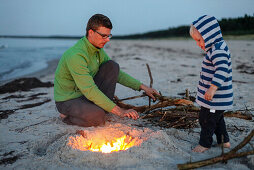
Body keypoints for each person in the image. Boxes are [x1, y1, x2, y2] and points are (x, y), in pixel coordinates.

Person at [54, 14, 160, 127]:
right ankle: (66, 117)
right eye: (104, 36)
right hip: (68, 100)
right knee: (98, 117)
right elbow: (90, 90)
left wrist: (144, 87)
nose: (108, 40)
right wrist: (120, 111)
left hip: (85, 95)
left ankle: (99, 109)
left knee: (112, 66)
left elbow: (118, 75)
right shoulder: (76, 55)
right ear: (91, 32)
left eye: (109, 36)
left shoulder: (97, 49)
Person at [189, 15, 233, 152]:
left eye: (199, 40)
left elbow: (222, 69)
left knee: (206, 120)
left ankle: (204, 144)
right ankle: (223, 141)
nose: (198, 44)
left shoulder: (218, 50)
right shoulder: (215, 48)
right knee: (218, 120)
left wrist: (212, 88)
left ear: (209, 35)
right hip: (215, 100)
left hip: (215, 99)